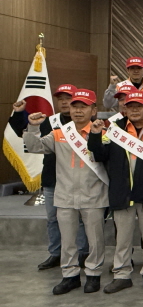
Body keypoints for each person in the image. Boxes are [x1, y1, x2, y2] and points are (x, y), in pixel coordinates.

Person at [24, 89, 108, 295]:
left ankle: (93, 274)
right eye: (74, 106)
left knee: (95, 240)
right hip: (65, 196)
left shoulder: (102, 132)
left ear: (93, 110)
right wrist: (33, 127)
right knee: (68, 240)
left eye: (83, 107)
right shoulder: (60, 133)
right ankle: (70, 276)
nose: (78, 111)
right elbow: (35, 147)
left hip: (93, 195)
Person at [89, 91, 143, 293]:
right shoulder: (114, 129)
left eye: (139, 106)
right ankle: (122, 275)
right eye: (130, 106)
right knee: (122, 239)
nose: (134, 109)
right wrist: (95, 136)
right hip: (122, 191)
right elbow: (99, 155)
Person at [8, 84, 89, 270]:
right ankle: (55, 253)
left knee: (79, 219)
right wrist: (20, 113)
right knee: (53, 218)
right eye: (61, 99)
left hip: (80, 180)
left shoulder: (86, 123)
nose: (64, 102)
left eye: (68, 99)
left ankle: (82, 253)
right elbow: (23, 130)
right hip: (53, 179)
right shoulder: (50, 121)